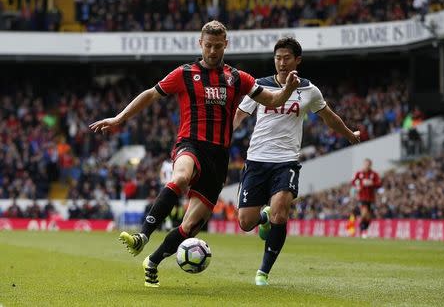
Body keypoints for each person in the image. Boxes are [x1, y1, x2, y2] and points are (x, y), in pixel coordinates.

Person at [89, 20, 300, 287]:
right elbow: (150, 95)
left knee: (189, 227)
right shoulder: (184, 73)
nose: (212, 51)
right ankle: (143, 235)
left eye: (217, 46)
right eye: (208, 45)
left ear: (226, 45)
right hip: (190, 144)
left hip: (219, 157)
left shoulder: (238, 78)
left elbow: (272, 100)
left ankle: (152, 261)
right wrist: (120, 117)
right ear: (200, 44)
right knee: (179, 178)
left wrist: (289, 90)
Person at [233, 37, 360, 286]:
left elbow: (329, 117)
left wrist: (349, 135)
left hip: (286, 162)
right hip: (257, 160)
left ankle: (263, 272)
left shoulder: (309, 90)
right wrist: (222, 138)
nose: (281, 63)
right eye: (278, 58)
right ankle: (263, 217)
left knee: (281, 214)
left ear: (297, 60)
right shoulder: (259, 86)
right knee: (246, 222)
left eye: (286, 58)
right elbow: (239, 115)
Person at [351, 158, 381, 238]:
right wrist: (358, 184)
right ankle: (362, 228)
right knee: (364, 213)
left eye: (368, 164)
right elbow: (353, 182)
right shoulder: (359, 173)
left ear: (370, 165)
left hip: (371, 198)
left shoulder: (374, 174)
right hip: (362, 197)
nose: (366, 166)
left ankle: (363, 228)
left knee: (369, 217)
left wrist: (372, 183)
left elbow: (379, 184)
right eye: (365, 164)